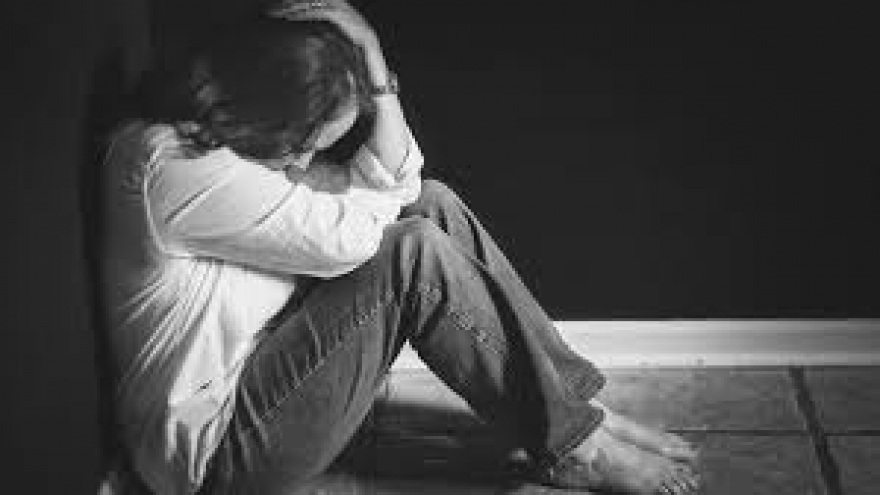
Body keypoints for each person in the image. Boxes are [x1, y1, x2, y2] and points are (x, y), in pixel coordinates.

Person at [99, 1, 701, 493]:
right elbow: (353, 241)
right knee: (409, 252)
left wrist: (376, 72)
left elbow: (402, 185)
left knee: (430, 203)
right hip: (216, 457)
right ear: (266, 112)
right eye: (304, 142)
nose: (305, 162)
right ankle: (575, 446)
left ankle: (568, 407)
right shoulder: (172, 165)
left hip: (269, 378)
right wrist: (372, 101)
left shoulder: (232, 144)